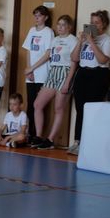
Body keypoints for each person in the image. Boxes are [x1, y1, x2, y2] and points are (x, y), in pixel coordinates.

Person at [69, 10, 110, 155]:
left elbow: (102, 60)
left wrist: (92, 42)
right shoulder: (83, 39)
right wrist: (81, 42)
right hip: (83, 73)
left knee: (92, 110)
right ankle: (77, 141)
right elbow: (74, 58)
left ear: (104, 25)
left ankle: (89, 143)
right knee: (80, 109)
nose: (93, 25)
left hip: (99, 74)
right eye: (92, 22)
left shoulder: (108, 40)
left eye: (97, 23)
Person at [30, 15, 78, 150]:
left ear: (69, 27)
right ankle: (39, 136)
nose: (60, 27)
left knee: (58, 108)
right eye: (58, 24)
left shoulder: (73, 40)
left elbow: (74, 63)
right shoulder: (55, 40)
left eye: (63, 25)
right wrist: (32, 69)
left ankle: (50, 139)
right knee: (37, 104)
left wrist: (67, 82)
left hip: (65, 72)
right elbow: (48, 57)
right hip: (53, 72)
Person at [22, 5, 54, 140]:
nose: (37, 18)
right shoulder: (31, 30)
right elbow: (29, 50)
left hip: (42, 73)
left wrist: (33, 68)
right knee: (30, 104)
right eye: (35, 15)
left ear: (45, 17)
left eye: (39, 15)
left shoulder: (48, 32)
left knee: (39, 106)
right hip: (31, 74)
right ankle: (29, 134)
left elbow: (48, 54)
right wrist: (29, 69)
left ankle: (37, 135)